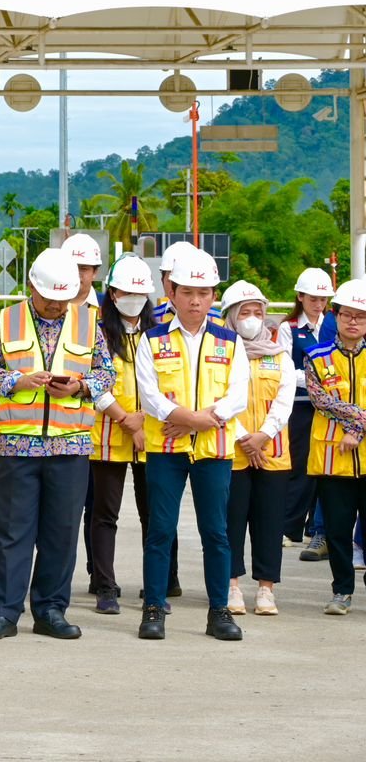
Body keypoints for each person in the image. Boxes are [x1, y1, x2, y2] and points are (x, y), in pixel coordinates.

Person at [0, 248, 115, 641]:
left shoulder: (89, 323)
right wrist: (15, 383)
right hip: (18, 447)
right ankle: (3, 612)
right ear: (31, 287)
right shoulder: (7, 320)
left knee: (61, 534)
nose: (55, 305)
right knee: (11, 533)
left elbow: (107, 373)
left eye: (63, 298)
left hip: (69, 448)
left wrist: (82, 386)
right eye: (49, 297)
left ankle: (51, 609)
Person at [134, 247, 246, 641]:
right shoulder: (152, 339)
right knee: (160, 530)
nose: (195, 300)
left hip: (213, 452)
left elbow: (237, 397)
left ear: (214, 295)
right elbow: (151, 398)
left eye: (204, 293)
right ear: (172, 294)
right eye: (187, 293)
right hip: (166, 452)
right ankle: (153, 608)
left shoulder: (230, 342)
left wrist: (195, 424)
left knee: (216, 532)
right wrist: (193, 419)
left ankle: (219, 612)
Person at [87, 256, 175, 615]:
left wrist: (144, 421)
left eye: (140, 292)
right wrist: (125, 418)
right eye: (126, 291)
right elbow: (93, 383)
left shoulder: (159, 333)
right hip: (108, 434)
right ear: (112, 293)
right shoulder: (97, 331)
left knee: (152, 516)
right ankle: (105, 586)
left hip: (151, 436)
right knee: (105, 514)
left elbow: (167, 382)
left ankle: (156, 587)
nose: (133, 298)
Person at [221, 279, 293, 617]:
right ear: (231, 316)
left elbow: (284, 402)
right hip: (231, 452)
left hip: (272, 453)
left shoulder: (280, 356)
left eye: (257, 312)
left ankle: (266, 590)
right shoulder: (219, 353)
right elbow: (216, 398)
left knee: (269, 522)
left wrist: (261, 436)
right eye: (244, 312)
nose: (251, 318)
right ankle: (231, 585)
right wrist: (242, 437)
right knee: (231, 521)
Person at [304, 277, 366, 615]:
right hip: (333, 457)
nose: (353, 321)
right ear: (336, 316)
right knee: (338, 530)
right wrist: (357, 421)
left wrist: (356, 427)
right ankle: (342, 590)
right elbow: (320, 399)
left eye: (361, 315)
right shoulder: (316, 356)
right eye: (347, 315)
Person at [286, 267, 336, 557]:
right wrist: (316, 381)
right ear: (300, 296)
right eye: (313, 298)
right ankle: (289, 526)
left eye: (323, 299)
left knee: (325, 470)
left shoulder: (333, 325)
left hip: (330, 409)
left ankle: (314, 529)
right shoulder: (289, 328)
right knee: (301, 468)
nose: (319, 304)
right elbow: (284, 370)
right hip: (301, 405)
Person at [63, 233, 104, 308]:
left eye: (83, 268)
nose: (76, 274)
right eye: (71, 266)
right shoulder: (47, 305)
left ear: (95, 272)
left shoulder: (108, 306)